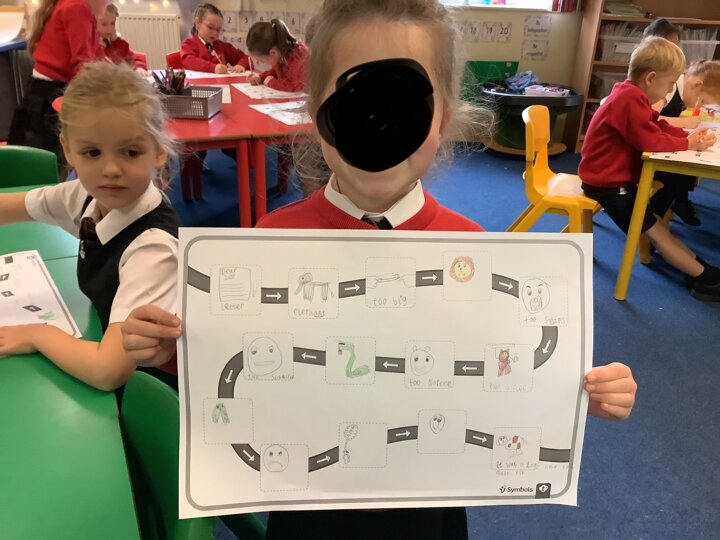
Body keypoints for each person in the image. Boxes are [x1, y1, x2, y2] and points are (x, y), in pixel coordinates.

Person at [122, 1, 638, 537]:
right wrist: (169, 350)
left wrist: (580, 388)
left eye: (403, 101)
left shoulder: (473, 254)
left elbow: (502, 376)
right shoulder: (272, 244)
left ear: (442, 119)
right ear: (317, 114)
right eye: (355, 100)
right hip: (306, 503)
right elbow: (237, 364)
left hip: (427, 508)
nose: (379, 122)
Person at [0, 62, 179, 391]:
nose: (110, 169)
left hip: (141, 391)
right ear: (68, 149)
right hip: (98, 334)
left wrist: (36, 333)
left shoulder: (152, 248)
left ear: (158, 152)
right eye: (92, 152)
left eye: (130, 152)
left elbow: (106, 372)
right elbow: (12, 206)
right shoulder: (84, 195)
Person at [580, 37, 720, 302]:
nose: (669, 91)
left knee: (658, 229)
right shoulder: (629, 100)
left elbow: (657, 125)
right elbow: (650, 140)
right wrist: (687, 143)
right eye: (670, 84)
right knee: (656, 233)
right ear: (651, 78)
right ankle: (704, 278)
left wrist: (686, 136)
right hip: (607, 185)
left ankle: (703, 270)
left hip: (612, 179)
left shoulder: (632, 94)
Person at [7, 0, 107, 178]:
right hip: (51, 99)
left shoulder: (70, 5)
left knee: (40, 170)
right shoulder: (77, 7)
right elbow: (84, 64)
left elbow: (95, 57)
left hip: (42, 94)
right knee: (47, 171)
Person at [643, 19, 718, 227]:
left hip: (655, 144)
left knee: (685, 165)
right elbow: (649, 119)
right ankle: (652, 219)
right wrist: (688, 124)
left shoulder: (677, 83)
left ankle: (663, 212)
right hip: (643, 154)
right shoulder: (667, 86)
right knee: (677, 172)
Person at [181, 3, 250, 74]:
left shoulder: (223, 47)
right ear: (197, 23)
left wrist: (241, 65)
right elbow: (189, 61)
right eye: (210, 27)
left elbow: (246, 58)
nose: (214, 33)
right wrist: (213, 68)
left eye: (218, 30)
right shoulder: (189, 44)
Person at [246, 18, 309, 92]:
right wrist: (260, 78)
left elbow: (294, 86)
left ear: (273, 52)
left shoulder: (299, 55)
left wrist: (271, 82)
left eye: (262, 60)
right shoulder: (281, 54)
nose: (262, 62)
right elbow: (275, 71)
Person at [98, 3, 148, 73]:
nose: (109, 28)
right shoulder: (90, 46)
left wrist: (139, 68)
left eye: (112, 23)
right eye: (104, 24)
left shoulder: (120, 43)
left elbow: (133, 59)